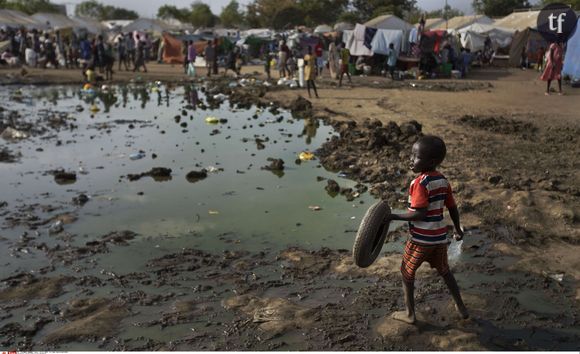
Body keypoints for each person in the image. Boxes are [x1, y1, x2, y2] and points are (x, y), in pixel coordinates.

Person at [384, 135, 469, 325]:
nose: (411, 159)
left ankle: (409, 314)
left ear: (430, 161)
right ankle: (461, 307)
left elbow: (419, 214)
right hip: (439, 239)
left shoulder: (419, 183)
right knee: (445, 272)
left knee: (406, 272)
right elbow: (453, 208)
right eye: (412, 155)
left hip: (420, 241)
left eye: (416, 156)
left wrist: (393, 216)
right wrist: (457, 229)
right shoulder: (443, 181)